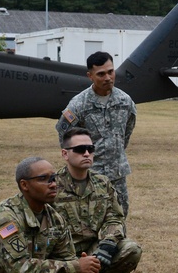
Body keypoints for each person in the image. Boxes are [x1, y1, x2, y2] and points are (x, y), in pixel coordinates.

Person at [53, 126, 142, 273]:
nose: (86, 153)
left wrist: (108, 244)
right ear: (65, 154)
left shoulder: (102, 183)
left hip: (93, 249)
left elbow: (114, 217)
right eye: (79, 150)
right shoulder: (51, 186)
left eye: (90, 149)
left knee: (131, 249)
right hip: (61, 255)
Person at [56, 51, 137, 216]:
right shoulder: (79, 104)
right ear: (90, 75)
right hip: (89, 174)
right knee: (88, 219)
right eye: (101, 74)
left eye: (110, 71)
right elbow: (64, 133)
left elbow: (127, 132)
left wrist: (117, 153)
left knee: (119, 216)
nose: (107, 77)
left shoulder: (125, 101)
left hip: (117, 174)